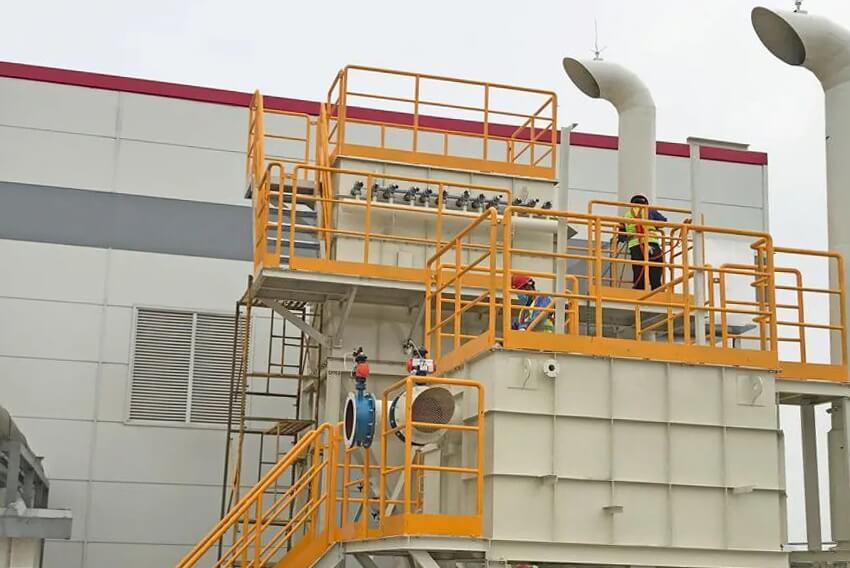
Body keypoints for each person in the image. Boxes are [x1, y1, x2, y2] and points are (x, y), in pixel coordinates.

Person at [618, 194, 667, 290]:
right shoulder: (650, 211)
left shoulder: (626, 215)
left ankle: (639, 289)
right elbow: (663, 222)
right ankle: (656, 289)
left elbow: (622, 236)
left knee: (638, 268)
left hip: (635, 245)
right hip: (651, 242)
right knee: (655, 266)